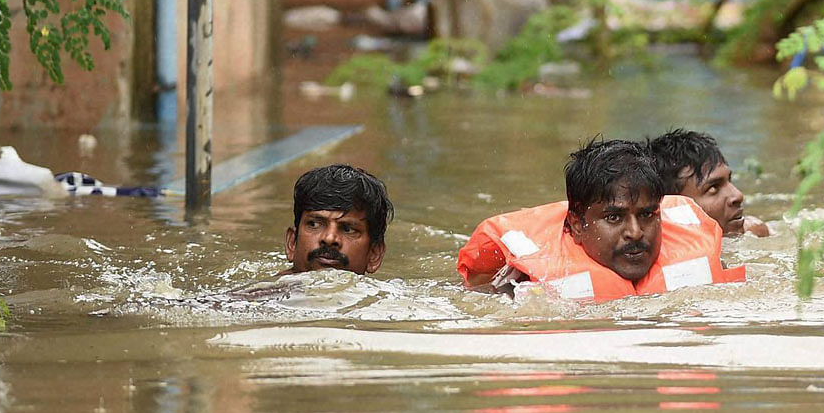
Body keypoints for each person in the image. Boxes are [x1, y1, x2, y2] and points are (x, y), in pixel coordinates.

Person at [457, 138, 746, 301]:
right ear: (576, 225)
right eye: (613, 217)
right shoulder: (523, 288)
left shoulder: (706, 265)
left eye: (647, 215)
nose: (635, 232)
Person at [644, 129, 770, 237]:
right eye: (713, 188)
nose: (738, 195)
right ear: (673, 208)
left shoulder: (755, 231)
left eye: (729, 180)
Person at [284, 164, 392, 275]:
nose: (329, 238)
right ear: (292, 243)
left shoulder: (392, 291)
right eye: (314, 224)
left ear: (374, 254)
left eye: (348, 229)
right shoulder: (269, 289)